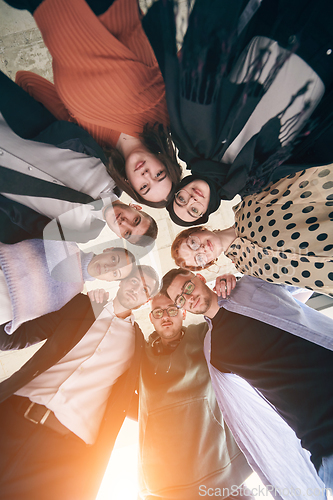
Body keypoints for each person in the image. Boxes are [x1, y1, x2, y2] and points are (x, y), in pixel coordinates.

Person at [141, 0, 333, 224]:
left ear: (179, 187)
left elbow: (197, 71)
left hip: (276, 32)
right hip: (322, 67)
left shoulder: (188, 139)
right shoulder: (255, 184)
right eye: (194, 210)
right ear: (207, 211)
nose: (191, 199)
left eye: (181, 199)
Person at [161, 269, 333, 491]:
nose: (189, 298)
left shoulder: (250, 287)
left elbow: (303, 274)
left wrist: (244, 270)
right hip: (322, 438)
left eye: (188, 287)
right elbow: (244, 419)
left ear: (201, 278)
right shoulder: (214, 351)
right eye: (180, 299)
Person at [0, 264, 160, 500]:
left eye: (145, 289)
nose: (136, 289)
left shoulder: (139, 346)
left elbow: (140, 403)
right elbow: (23, 335)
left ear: (147, 301)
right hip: (12, 417)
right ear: (122, 281)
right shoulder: (82, 305)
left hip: (62, 451)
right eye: (135, 281)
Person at [4, 0, 182, 208]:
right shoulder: (163, 115)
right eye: (159, 174)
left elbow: (28, 82)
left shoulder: (90, 144)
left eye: (144, 186)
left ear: (131, 186)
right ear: (165, 162)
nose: (146, 174)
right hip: (104, 8)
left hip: (45, 11)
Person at [0, 70, 158, 246]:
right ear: (137, 208)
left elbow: (28, 223)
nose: (124, 223)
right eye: (135, 220)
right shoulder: (113, 171)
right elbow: (74, 132)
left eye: (127, 233)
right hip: (12, 124)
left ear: (121, 237)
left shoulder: (83, 232)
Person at [138, 292, 252, 499]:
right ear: (151, 318)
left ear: (182, 313)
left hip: (219, 468)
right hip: (166, 479)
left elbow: (229, 319)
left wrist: (226, 288)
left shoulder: (201, 336)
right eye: (158, 312)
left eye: (172, 310)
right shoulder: (141, 354)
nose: (166, 316)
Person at [171, 159, 333, 297]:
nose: (202, 249)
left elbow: (301, 186)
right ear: (208, 263)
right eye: (199, 258)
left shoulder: (248, 203)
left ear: (199, 229)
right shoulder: (246, 272)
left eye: (193, 243)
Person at [0, 240, 135, 341]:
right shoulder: (64, 243)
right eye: (114, 259)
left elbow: (34, 331)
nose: (108, 268)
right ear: (108, 249)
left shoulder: (73, 297)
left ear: (110, 281)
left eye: (115, 273)